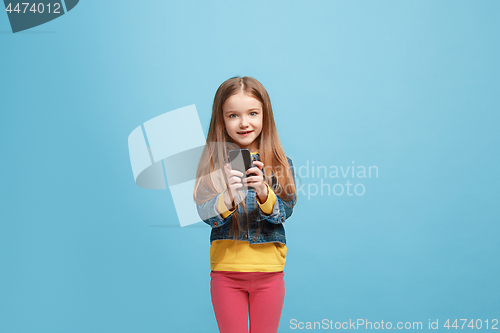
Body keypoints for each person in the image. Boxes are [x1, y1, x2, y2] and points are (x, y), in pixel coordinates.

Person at [193, 76, 297, 333]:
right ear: (222, 120)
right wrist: (227, 197)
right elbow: (205, 214)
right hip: (226, 272)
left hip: (269, 271)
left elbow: (286, 211)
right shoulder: (213, 165)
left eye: (252, 113)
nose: (244, 123)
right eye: (233, 115)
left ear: (265, 115)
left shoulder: (280, 163)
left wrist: (263, 191)